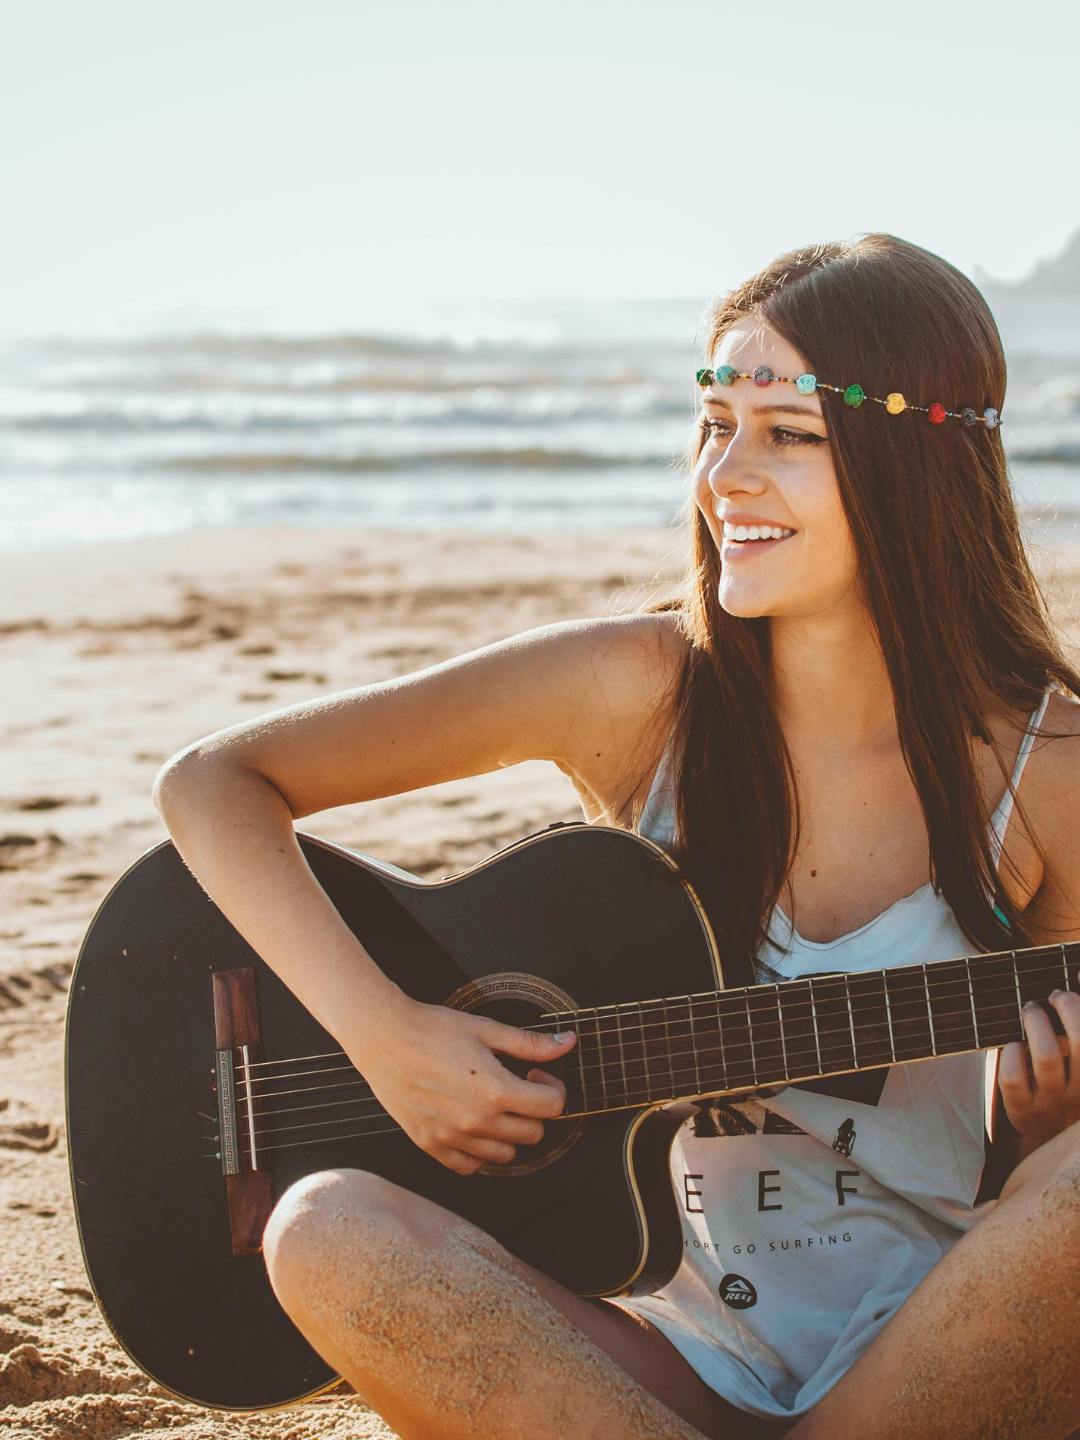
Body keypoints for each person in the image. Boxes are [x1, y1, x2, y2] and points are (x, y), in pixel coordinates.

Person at [153, 234, 1080, 1440]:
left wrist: (1048, 1127)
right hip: (660, 1370)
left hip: (935, 1368)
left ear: (919, 459)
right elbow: (214, 784)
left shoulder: (1043, 768)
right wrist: (390, 1040)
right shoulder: (643, 693)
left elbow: (1028, 1195)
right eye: (715, 423)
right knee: (323, 1226)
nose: (727, 476)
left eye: (790, 434)